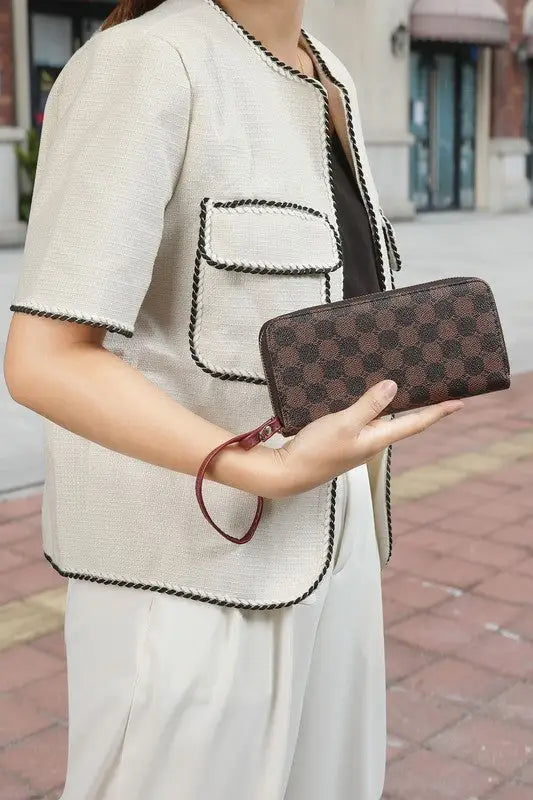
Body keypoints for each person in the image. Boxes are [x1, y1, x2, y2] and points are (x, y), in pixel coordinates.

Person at [3, 1, 463, 798]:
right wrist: (265, 470)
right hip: (190, 564)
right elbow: (45, 362)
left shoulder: (331, 74)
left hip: (334, 533)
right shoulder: (148, 62)